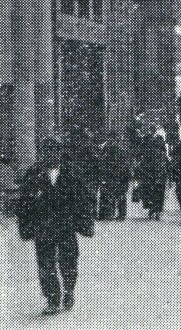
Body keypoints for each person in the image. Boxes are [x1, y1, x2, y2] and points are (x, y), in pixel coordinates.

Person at [16, 137, 95, 315]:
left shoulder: (72, 172)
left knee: (69, 261)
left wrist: (85, 221)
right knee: (45, 264)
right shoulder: (33, 174)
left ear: (60, 152)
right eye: (46, 151)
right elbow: (24, 203)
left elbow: (84, 199)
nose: (50, 154)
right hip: (43, 227)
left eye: (54, 150)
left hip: (66, 226)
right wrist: (26, 225)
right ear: (42, 153)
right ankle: (52, 298)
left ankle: (68, 290)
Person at [134, 127, 169, 220]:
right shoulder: (147, 139)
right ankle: (152, 208)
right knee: (149, 189)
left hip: (156, 169)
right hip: (149, 169)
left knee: (158, 190)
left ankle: (156, 210)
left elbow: (164, 153)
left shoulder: (159, 140)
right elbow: (139, 152)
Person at [96, 131, 132, 221]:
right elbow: (102, 162)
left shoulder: (118, 150)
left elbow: (126, 164)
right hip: (112, 175)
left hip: (118, 175)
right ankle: (108, 214)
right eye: (110, 139)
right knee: (108, 193)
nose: (111, 141)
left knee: (119, 194)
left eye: (112, 139)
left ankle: (118, 214)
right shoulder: (107, 150)